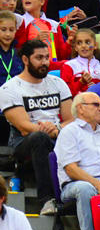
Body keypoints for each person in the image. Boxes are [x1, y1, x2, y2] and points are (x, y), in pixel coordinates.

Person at [0, 40, 72, 211]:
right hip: (23, 142)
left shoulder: (58, 83)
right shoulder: (9, 88)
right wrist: (52, 131)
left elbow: (71, 119)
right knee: (40, 138)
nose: (45, 62)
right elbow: (24, 127)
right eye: (39, 58)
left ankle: (71, 197)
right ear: (25, 60)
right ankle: (47, 200)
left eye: (47, 57)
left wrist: (57, 129)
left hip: (57, 135)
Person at [51, 92, 100, 230]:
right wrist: (99, 185)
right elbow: (71, 169)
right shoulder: (70, 132)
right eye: (96, 105)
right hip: (76, 184)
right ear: (80, 108)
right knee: (85, 189)